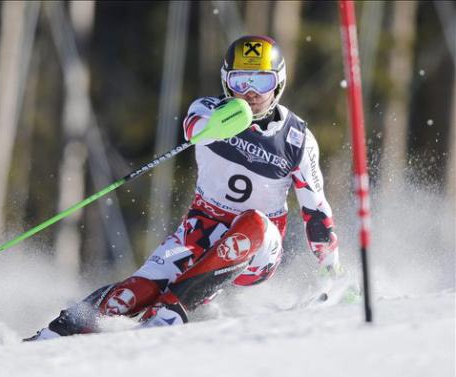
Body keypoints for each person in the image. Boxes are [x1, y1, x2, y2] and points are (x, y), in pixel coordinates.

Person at [25, 35, 342, 341]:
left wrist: (332, 269)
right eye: (239, 81)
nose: (250, 93)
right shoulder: (207, 107)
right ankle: (61, 330)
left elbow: (316, 210)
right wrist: (221, 124)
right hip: (199, 231)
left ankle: (171, 308)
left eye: (261, 82)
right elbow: (195, 127)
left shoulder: (297, 139)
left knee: (255, 222)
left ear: (279, 83)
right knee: (136, 290)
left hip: (259, 249)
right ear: (225, 81)